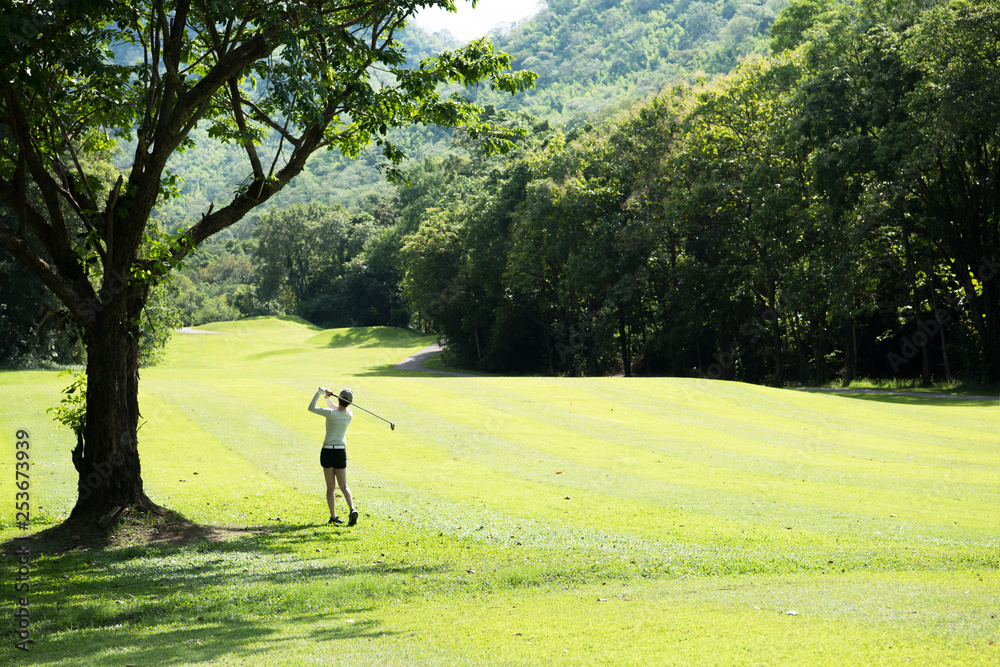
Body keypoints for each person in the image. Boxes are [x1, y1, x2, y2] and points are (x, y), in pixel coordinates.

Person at [308, 386, 358, 526]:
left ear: (338, 398)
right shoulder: (349, 413)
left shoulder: (331, 413)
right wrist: (327, 398)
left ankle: (333, 516)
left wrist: (319, 393)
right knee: (344, 485)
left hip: (328, 451)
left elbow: (311, 408)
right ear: (351, 402)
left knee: (331, 487)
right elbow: (337, 407)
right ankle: (352, 509)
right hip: (341, 452)